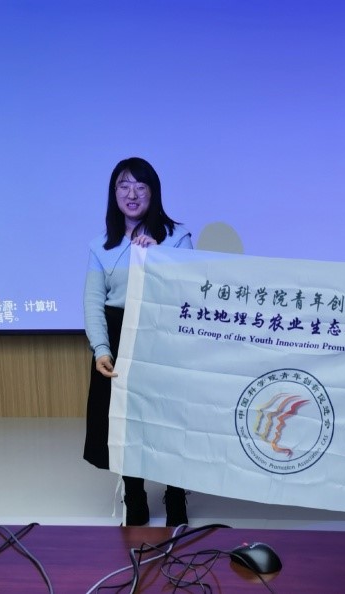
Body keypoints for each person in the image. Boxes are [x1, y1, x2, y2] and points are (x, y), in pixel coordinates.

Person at [83, 156, 193, 527]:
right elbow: (94, 301)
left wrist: (158, 257)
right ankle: (135, 495)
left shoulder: (177, 238)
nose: (132, 194)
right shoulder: (100, 246)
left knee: (169, 421)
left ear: (153, 192)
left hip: (164, 336)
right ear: (113, 193)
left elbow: (189, 293)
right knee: (126, 421)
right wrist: (101, 349)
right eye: (123, 186)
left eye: (140, 186)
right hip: (119, 335)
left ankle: (176, 494)